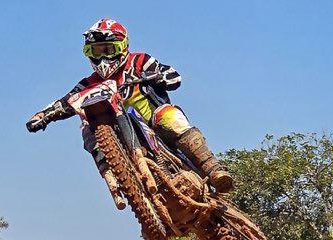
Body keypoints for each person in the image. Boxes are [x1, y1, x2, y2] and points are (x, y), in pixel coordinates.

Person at [26, 18, 233, 194]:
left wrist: (158, 76)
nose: (103, 57)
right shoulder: (89, 83)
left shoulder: (140, 61)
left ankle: (213, 169)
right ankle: (114, 180)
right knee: (86, 126)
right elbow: (67, 101)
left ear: (122, 46)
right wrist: (42, 115)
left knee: (171, 116)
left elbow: (174, 76)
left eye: (108, 49)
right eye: (95, 51)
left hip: (155, 123)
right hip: (119, 136)